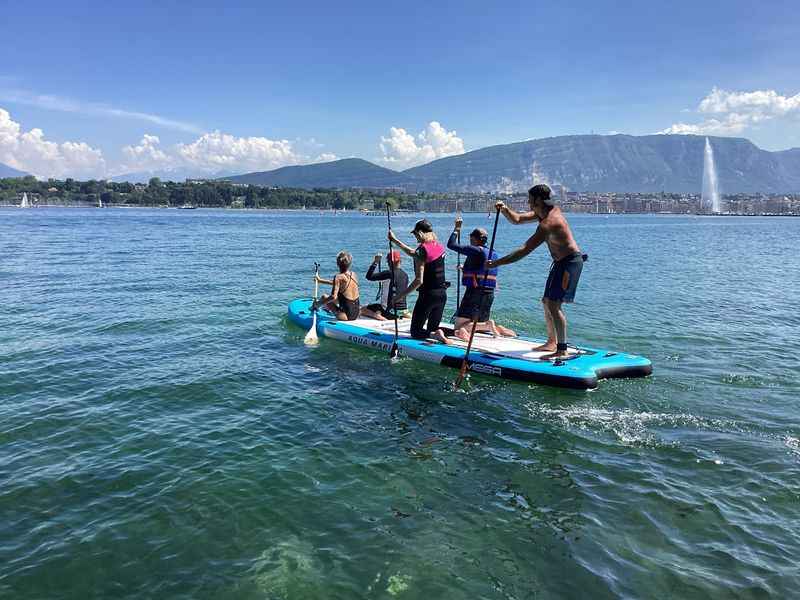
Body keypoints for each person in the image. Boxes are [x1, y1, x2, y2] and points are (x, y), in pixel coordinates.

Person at [489, 184, 584, 359]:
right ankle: (551, 342)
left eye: (530, 198)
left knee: (554, 305)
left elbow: (523, 250)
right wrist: (505, 209)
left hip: (570, 263)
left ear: (538, 200)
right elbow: (517, 219)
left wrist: (496, 263)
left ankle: (562, 349)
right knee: (546, 301)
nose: (527, 202)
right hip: (560, 263)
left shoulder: (549, 223)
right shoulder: (543, 213)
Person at [447, 216, 517, 341]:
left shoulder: (475, 250)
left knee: (458, 326)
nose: (469, 240)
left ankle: (487, 325)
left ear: (474, 238)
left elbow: (451, 244)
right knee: (474, 323)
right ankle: (497, 328)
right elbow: (482, 270)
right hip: (489, 293)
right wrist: (465, 269)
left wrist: (457, 229)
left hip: (475, 292)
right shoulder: (492, 252)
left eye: (470, 238)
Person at [388, 219, 450, 344]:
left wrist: (399, 296)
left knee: (415, 331)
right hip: (442, 295)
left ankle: (436, 335)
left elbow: (419, 280)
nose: (415, 237)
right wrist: (395, 241)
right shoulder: (438, 246)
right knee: (432, 328)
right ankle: (456, 333)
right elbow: (413, 253)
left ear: (421, 233)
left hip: (428, 296)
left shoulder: (422, 250)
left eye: (416, 234)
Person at [360, 250, 410, 320]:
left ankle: (379, 317)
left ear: (389, 262)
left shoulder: (388, 273)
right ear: (400, 261)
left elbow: (369, 276)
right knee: (377, 307)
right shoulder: (405, 275)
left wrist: (376, 262)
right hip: (403, 310)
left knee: (362, 309)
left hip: (390, 311)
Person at [312, 250, 361, 321]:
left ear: (337, 264)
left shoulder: (338, 277)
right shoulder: (354, 274)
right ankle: (325, 307)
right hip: (356, 313)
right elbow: (341, 283)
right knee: (335, 298)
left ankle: (315, 306)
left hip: (345, 316)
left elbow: (333, 296)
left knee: (324, 297)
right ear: (350, 263)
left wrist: (319, 303)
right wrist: (321, 281)